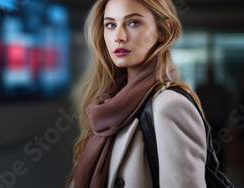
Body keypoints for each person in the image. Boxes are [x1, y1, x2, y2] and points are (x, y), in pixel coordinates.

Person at [66, 0, 208, 187]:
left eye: (133, 23)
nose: (119, 36)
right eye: (110, 25)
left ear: (163, 32)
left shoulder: (169, 105)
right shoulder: (107, 102)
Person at [196, 67, 232, 168]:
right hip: (207, 124)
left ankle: (218, 171)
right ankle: (211, 171)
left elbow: (227, 105)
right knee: (207, 149)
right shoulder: (202, 90)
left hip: (218, 123)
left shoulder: (219, 90)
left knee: (218, 150)